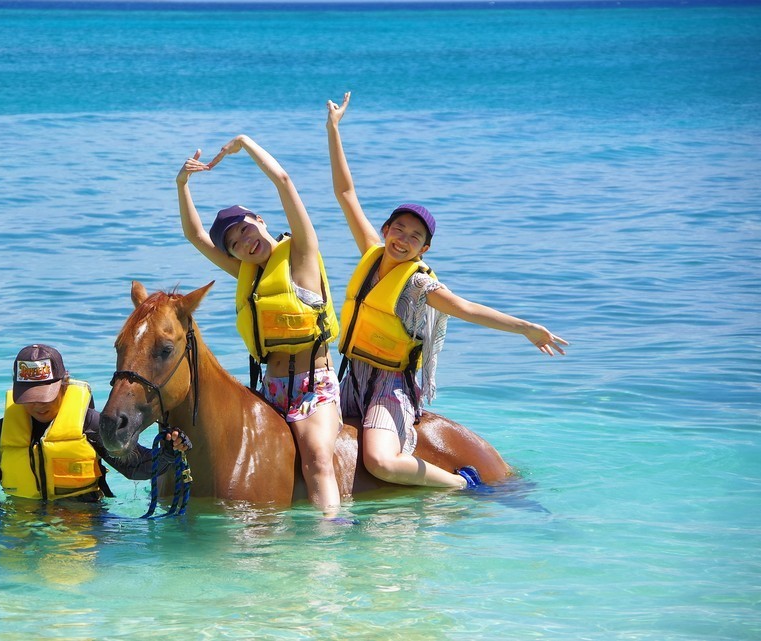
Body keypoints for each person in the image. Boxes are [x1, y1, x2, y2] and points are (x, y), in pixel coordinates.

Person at [326, 92, 568, 490]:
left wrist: (526, 327)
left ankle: (461, 486)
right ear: (386, 230)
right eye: (398, 229)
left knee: (381, 461)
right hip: (350, 376)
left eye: (414, 237)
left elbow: (465, 308)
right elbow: (346, 194)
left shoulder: (420, 285)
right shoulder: (371, 254)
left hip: (390, 384)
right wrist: (333, 129)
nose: (402, 239)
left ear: (424, 249)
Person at [176, 135, 343, 515]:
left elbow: (283, 180)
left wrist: (246, 145)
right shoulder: (247, 274)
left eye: (244, 229)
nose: (243, 242)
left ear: (260, 221)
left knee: (316, 458)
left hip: (312, 387)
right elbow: (195, 236)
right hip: (270, 390)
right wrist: (182, 185)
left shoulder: (301, 253)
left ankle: (330, 539)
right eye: (233, 243)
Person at [0, 343, 190, 504]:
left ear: (64, 384)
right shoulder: (0, 433)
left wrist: (168, 453)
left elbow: (135, 467)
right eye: (30, 397)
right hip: (25, 524)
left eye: (46, 395)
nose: (38, 405)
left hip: (85, 523)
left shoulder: (89, 424)